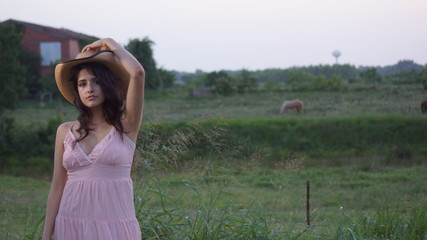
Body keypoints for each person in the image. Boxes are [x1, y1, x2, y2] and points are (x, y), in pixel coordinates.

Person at [42, 38, 145, 240]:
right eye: (83, 84)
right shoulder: (65, 131)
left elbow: (137, 73)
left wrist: (110, 43)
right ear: (77, 91)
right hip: (69, 225)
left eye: (96, 81)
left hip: (115, 229)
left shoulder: (126, 126)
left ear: (107, 85)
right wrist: (46, 236)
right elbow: (57, 186)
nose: (89, 88)